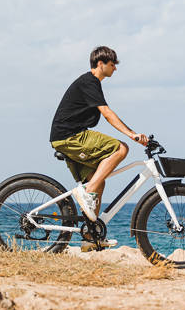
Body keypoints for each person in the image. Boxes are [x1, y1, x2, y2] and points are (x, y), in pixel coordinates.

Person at [49, 46, 148, 251]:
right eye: (113, 64)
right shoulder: (89, 81)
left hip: (67, 136)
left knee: (98, 181)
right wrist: (131, 134)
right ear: (100, 64)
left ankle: (90, 237)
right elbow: (106, 112)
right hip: (70, 136)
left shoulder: (92, 83)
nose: (115, 69)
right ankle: (88, 191)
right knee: (120, 148)